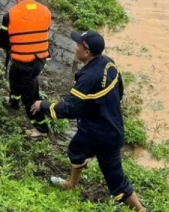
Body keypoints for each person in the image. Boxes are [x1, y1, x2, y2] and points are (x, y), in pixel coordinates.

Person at [31, 31, 146, 211]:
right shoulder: (109, 63)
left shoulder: (88, 78)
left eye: (78, 45)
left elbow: (70, 109)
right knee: (76, 150)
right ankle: (71, 184)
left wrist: (44, 105)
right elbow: (120, 91)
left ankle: (140, 210)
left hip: (103, 136)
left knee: (116, 182)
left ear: (86, 52)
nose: (75, 47)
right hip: (96, 127)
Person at [0, 0, 51, 138]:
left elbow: (2, 39)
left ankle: (41, 128)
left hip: (24, 61)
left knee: (31, 96)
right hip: (40, 60)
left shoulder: (10, 15)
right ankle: (13, 101)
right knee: (14, 76)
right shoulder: (46, 11)